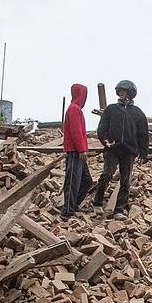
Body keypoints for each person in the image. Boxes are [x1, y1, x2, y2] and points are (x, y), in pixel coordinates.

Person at [93, 79, 151, 218]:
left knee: (125, 180)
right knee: (107, 174)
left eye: (123, 91)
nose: (120, 94)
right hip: (112, 148)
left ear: (130, 94)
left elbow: (143, 133)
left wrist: (143, 152)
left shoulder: (138, 113)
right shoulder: (111, 109)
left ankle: (119, 209)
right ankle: (97, 203)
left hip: (129, 151)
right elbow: (102, 127)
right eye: (119, 92)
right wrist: (104, 139)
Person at [59, 83, 93, 219]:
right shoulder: (74, 109)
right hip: (75, 152)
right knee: (73, 181)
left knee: (87, 181)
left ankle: (73, 205)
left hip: (78, 152)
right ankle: (67, 211)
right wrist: (82, 150)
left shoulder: (76, 109)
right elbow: (75, 131)